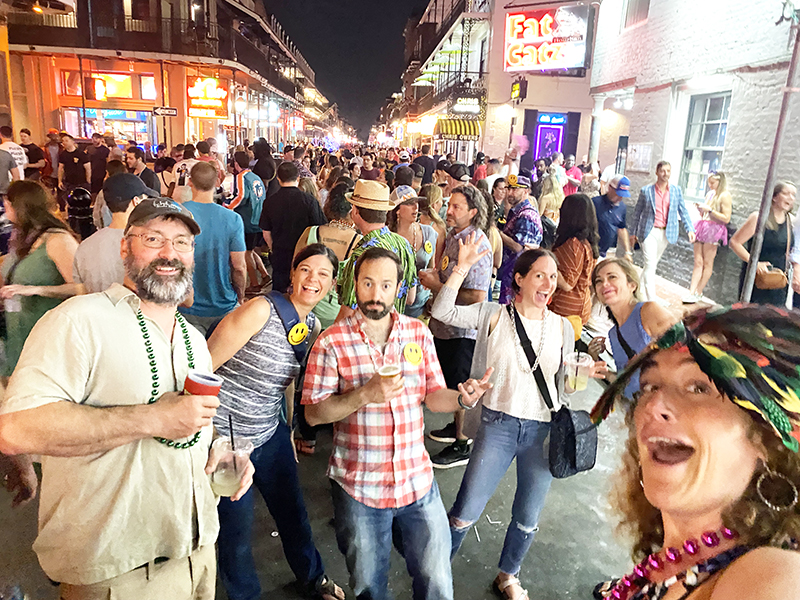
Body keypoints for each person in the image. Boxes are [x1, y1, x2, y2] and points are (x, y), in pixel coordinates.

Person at [0, 197, 254, 600]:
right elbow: (15, 428)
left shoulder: (193, 339)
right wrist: (151, 419)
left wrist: (220, 451)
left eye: (182, 242)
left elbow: (192, 429)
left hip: (197, 553)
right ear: (125, 247)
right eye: (153, 239)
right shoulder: (79, 321)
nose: (169, 253)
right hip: (118, 574)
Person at [302, 247, 493, 600]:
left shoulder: (417, 334)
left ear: (400, 289)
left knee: (437, 582)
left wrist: (463, 398)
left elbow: (433, 395)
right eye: (368, 283)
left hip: (417, 482)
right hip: (360, 487)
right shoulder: (331, 342)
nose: (376, 294)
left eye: (386, 285)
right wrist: (364, 395)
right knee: (369, 588)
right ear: (354, 285)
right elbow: (313, 413)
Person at [432, 239, 605, 600]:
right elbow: (443, 311)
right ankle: (434, 571)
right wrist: (461, 267)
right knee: (465, 510)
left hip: (543, 431)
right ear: (521, 279)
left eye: (553, 277)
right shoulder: (493, 314)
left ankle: (508, 575)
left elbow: (566, 388)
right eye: (539, 275)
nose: (548, 283)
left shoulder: (563, 328)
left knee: (528, 515)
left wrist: (582, 372)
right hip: (498, 426)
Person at [590, 304, 800, 600]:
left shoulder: (772, 578)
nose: (653, 406)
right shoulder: (678, 562)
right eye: (649, 386)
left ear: (767, 438)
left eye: (698, 388)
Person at [208, 244, 345, 600]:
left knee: (293, 513)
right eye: (306, 269)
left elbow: (288, 384)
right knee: (236, 534)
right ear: (293, 273)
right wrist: (210, 438)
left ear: (331, 285)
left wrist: (287, 432)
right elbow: (203, 370)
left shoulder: (312, 326)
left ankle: (313, 580)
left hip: (270, 435)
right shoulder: (259, 311)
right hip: (228, 439)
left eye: (323, 275)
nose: (312, 279)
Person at [419, 186, 493, 468]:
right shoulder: (454, 237)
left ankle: (463, 443)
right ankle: (455, 427)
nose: (448, 211)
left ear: (473, 212)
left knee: (461, 383)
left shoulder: (476, 244)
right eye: (448, 205)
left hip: (462, 330)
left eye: (457, 207)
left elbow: (476, 296)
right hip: (445, 326)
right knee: (450, 378)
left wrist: (438, 287)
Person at [0, 180, 81, 378]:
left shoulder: (57, 239)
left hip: (45, 335)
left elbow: (82, 288)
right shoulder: (21, 237)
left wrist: (36, 290)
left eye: (7, 205)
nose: (4, 210)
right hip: (16, 332)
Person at [587, 258, 674, 398]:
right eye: (598, 281)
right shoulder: (613, 335)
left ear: (631, 285)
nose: (605, 284)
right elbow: (624, 381)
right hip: (635, 411)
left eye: (612, 277)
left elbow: (687, 353)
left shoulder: (648, 311)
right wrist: (594, 359)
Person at [335, 180, 417, 321]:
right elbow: (410, 298)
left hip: (362, 336)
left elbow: (347, 314)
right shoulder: (404, 244)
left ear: (354, 211)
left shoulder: (361, 255)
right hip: (393, 333)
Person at [181, 162, 247, 336]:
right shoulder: (233, 219)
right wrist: (240, 296)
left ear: (190, 182)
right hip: (224, 306)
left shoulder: (178, 215)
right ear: (217, 182)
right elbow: (239, 267)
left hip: (186, 307)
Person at [294, 182, 362, 329]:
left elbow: (293, 272)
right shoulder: (360, 243)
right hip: (339, 316)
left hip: (305, 309)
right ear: (354, 210)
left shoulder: (310, 232)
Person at [74, 174, 157, 294]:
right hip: (136, 311)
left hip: (97, 311)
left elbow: (80, 290)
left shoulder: (85, 246)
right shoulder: (148, 243)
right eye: (145, 199)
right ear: (136, 202)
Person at [631, 161, 696, 301]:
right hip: (649, 231)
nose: (665, 174)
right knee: (650, 264)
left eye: (668, 171)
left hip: (666, 233)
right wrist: (632, 233)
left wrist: (690, 229)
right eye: (663, 171)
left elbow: (683, 211)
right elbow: (637, 213)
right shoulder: (646, 191)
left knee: (652, 264)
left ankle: (639, 290)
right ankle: (651, 299)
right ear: (657, 172)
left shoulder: (676, 191)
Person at [259, 161, 327, 293]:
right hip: (304, 254)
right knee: (302, 290)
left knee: (279, 293)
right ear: (298, 178)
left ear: (278, 179)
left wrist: (273, 248)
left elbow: (266, 233)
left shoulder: (270, 201)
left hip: (280, 254)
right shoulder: (309, 200)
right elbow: (320, 228)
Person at [730, 180, 796, 306]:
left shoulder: (790, 222)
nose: (791, 198)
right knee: (751, 317)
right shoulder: (758, 218)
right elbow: (735, 242)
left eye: (793, 195)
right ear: (775, 197)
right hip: (757, 278)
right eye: (786, 194)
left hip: (778, 279)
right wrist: (755, 263)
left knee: (773, 318)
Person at [548, 194, 599, 325]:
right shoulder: (587, 242)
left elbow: (567, 283)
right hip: (580, 304)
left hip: (566, 309)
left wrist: (547, 261)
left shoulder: (573, 245)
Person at [684, 171, 733, 304]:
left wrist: (710, 210)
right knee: (698, 262)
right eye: (708, 182)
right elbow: (705, 214)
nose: (710, 185)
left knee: (707, 263)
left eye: (712, 182)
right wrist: (701, 210)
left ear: (720, 181)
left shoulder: (724, 196)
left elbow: (726, 218)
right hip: (703, 226)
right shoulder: (710, 194)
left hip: (714, 229)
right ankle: (691, 292)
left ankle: (699, 291)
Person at [387, 190, 437, 318]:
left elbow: (433, 268)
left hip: (421, 309)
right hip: (391, 310)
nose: (416, 207)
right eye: (409, 203)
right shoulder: (387, 237)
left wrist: (432, 299)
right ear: (397, 210)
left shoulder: (429, 233)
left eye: (417, 202)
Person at [499, 175, 543, 304]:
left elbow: (519, 247)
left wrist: (497, 233)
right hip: (512, 272)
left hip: (519, 275)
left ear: (526, 191)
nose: (510, 193)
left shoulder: (526, 216)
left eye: (515, 189)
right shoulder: (518, 212)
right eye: (509, 189)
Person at [228, 151, 268, 292]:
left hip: (247, 220)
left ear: (236, 164)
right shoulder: (255, 177)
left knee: (246, 253)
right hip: (258, 218)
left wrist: (227, 206)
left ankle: (254, 283)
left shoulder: (241, 177)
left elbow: (240, 197)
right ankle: (264, 274)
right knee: (250, 250)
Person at [592, 175, 632, 259]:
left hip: (608, 251)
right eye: (618, 194)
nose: (620, 197)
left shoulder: (622, 207)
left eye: (622, 195)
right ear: (610, 188)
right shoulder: (595, 203)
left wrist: (627, 251)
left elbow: (621, 228)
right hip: (592, 250)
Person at [92, 159, 128, 230]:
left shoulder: (104, 192)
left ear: (107, 173)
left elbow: (96, 214)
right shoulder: (129, 190)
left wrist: (99, 228)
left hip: (107, 230)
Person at [58, 133, 90, 209]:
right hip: (69, 182)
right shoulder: (63, 155)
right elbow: (61, 168)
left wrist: (88, 179)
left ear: (72, 142)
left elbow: (88, 168)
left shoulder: (81, 154)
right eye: (63, 141)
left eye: (66, 140)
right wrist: (60, 180)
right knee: (69, 201)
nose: (64, 142)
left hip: (81, 181)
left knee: (82, 201)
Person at [419, 183, 447, 264]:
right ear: (434, 204)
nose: (442, 203)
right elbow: (438, 260)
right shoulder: (439, 227)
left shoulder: (412, 220)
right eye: (441, 200)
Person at [86, 132, 109, 197]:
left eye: (96, 138)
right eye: (93, 138)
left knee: (100, 192)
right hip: (91, 173)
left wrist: (107, 174)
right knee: (92, 192)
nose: (94, 140)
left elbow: (108, 162)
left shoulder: (105, 150)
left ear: (100, 139)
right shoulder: (89, 148)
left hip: (101, 174)